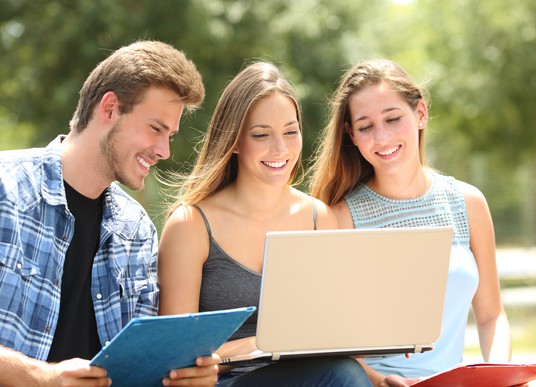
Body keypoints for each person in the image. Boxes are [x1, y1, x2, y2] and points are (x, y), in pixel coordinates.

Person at [0, 40, 220, 387]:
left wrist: (183, 375)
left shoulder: (137, 231)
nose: (163, 150)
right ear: (110, 108)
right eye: (155, 128)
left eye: (171, 135)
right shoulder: (6, 190)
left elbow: (138, 369)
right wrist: (42, 378)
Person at [158, 61, 372, 387]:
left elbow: (334, 334)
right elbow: (175, 355)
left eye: (290, 132)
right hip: (222, 382)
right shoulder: (191, 225)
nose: (280, 149)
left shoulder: (320, 219)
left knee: (347, 373)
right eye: (261, 135)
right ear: (234, 141)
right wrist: (258, 346)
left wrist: (379, 377)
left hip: (312, 378)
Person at [308, 59, 513, 386]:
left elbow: (491, 316)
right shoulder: (338, 218)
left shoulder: (469, 203)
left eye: (392, 118)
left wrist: (502, 375)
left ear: (420, 114)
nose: (382, 137)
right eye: (365, 126)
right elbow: (333, 343)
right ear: (352, 135)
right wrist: (379, 380)